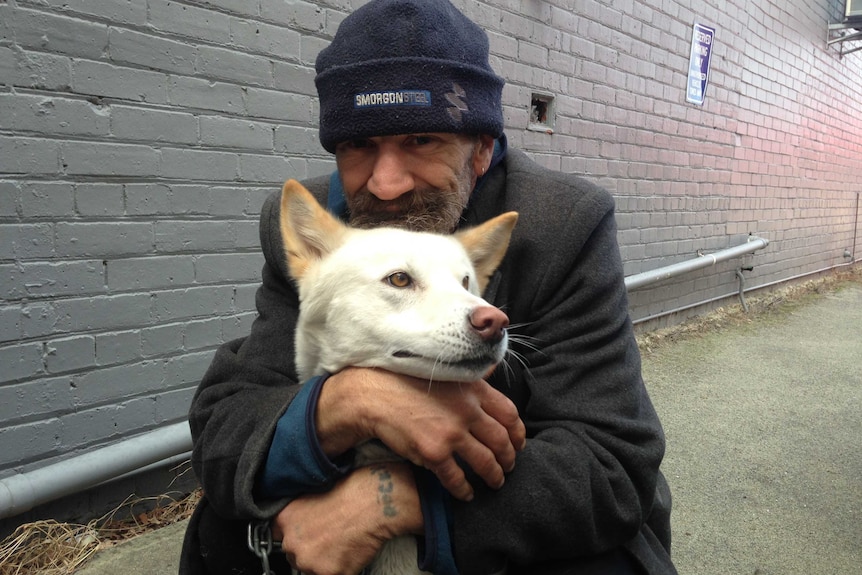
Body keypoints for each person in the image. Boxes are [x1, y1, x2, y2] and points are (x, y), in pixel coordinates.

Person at [179, 1, 677, 573]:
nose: (386, 184)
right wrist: (346, 403)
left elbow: (612, 468)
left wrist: (393, 502)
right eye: (357, 145)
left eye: (421, 140)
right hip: (349, 471)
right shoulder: (311, 228)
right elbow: (226, 430)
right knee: (220, 535)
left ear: (482, 148)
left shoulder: (564, 224)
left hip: (507, 523)